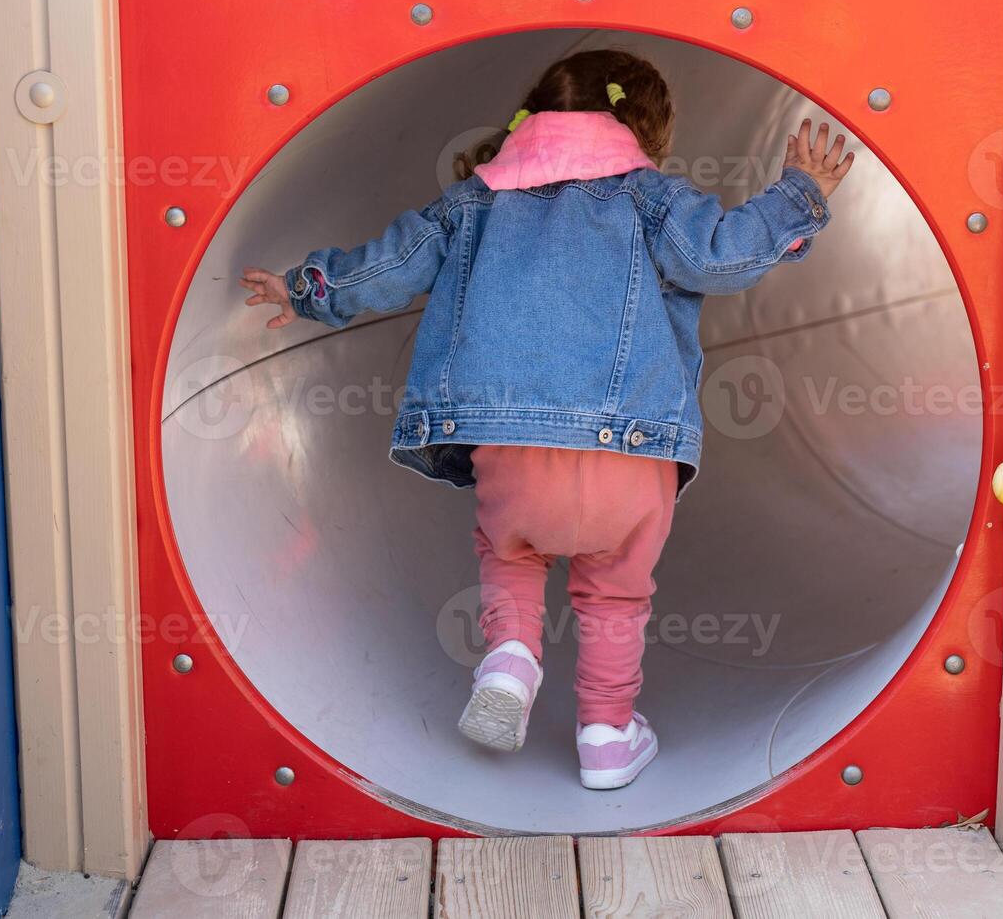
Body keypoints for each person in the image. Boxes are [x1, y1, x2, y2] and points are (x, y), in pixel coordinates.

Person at [240, 49, 854, 789]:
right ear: (641, 127)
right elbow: (722, 258)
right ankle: (606, 736)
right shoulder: (652, 199)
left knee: (511, 556)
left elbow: (391, 265)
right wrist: (799, 196)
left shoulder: (472, 201)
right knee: (614, 594)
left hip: (509, 451)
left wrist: (307, 288)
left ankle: (507, 661)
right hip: (626, 452)